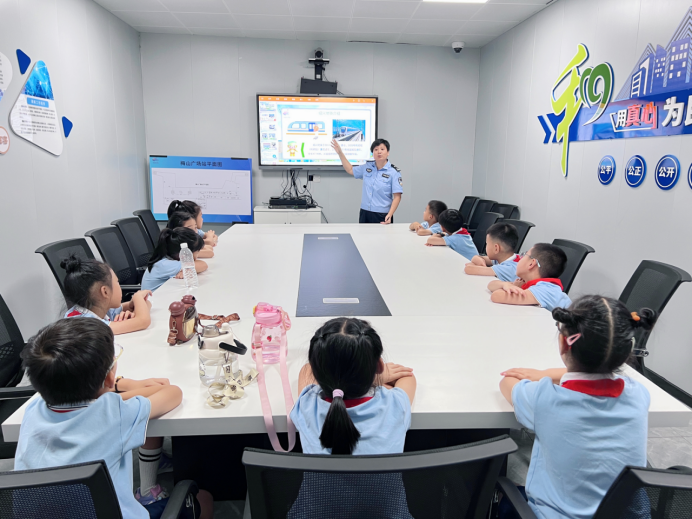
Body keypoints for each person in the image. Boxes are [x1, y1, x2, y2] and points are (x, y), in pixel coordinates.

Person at [15, 318, 214, 519]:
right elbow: (172, 393)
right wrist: (119, 387)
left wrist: (108, 389)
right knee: (203, 499)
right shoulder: (114, 414)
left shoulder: (33, 410)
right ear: (110, 377)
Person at [498, 296, 655, 519]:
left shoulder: (545, 399)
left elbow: (507, 383)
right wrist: (548, 374)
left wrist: (543, 376)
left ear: (563, 343)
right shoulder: (638, 394)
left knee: (507, 493)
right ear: (627, 349)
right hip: (623, 514)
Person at [291, 317, 416, 455]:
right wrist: (375, 377)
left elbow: (306, 370)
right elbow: (407, 377)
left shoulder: (307, 405)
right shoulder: (395, 405)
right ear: (379, 366)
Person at [61, 254, 151, 335]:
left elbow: (147, 304)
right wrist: (138, 297)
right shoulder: (87, 324)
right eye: (117, 282)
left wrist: (133, 309)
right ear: (105, 292)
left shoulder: (98, 306)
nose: (119, 286)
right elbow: (143, 321)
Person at [331, 138, 403, 224]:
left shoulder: (394, 172)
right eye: (376, 149)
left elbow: (397, 196)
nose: (379, 152)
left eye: (382, 149)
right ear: (373, 153)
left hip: (382, 214)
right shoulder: (367, 167)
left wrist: (390, 214)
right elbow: (350, 169)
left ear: (388, 152)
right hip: (365, 212)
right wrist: (340, 153)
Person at [487, 243, 571, 311]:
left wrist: (512, 286)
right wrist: (505, 285)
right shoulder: (532, 283)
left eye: (524, 255)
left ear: (531, 264)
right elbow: (491, 285)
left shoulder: (546, 290)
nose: (520, 257)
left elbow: (497, 296)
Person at [142, 228, 207, 291]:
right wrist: (187, 269)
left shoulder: (166, 258)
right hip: (154, 298)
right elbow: (203, 265)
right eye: (197, 252)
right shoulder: (165, 264)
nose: (197, 257)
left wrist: (185, 270)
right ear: (185, 253)